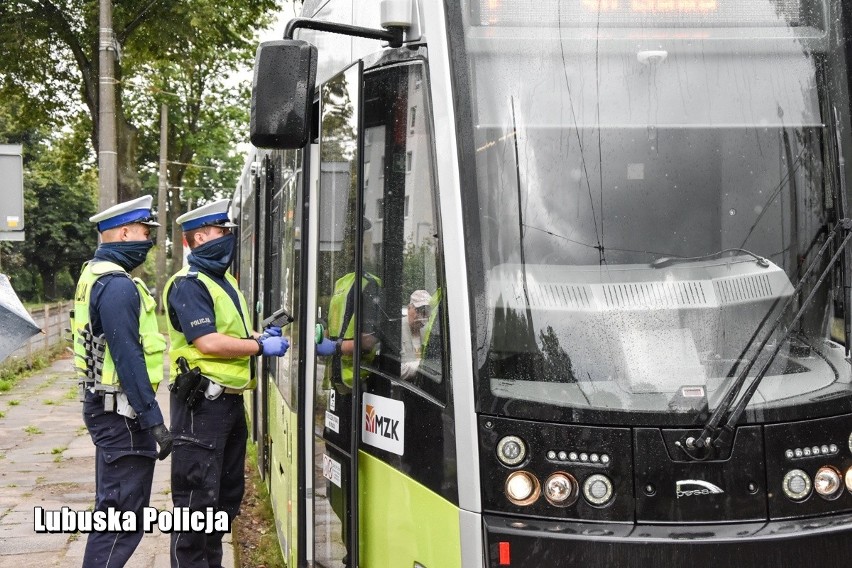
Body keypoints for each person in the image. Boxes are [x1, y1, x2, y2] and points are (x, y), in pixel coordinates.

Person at [163, 199, 288, 568]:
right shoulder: (188, 285)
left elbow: (228, 331)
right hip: (202, 406)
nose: (228, 239)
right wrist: (259, 346)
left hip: (230, 404)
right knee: (195, 504)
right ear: (200, 237)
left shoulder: (224, 280)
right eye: (222, 232)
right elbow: (208, 342)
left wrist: (258, 334)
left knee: (222, 500)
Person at [73, 195, 173, 567]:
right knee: (121, 521)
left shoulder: (92, 275)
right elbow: (128, 356)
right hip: (122, 416)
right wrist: (154, 421)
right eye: (145, 232)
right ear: (125, 232)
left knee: (112, 513)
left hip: (108, 409)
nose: (148, 241)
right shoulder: (116, 285)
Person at [400, 289, 431, 380]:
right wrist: (421, 366)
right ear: (409, 308)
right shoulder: (397, 330)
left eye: (425, 311)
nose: (421, 315)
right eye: (418, 310)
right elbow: (395, 369)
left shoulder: (427, 332)